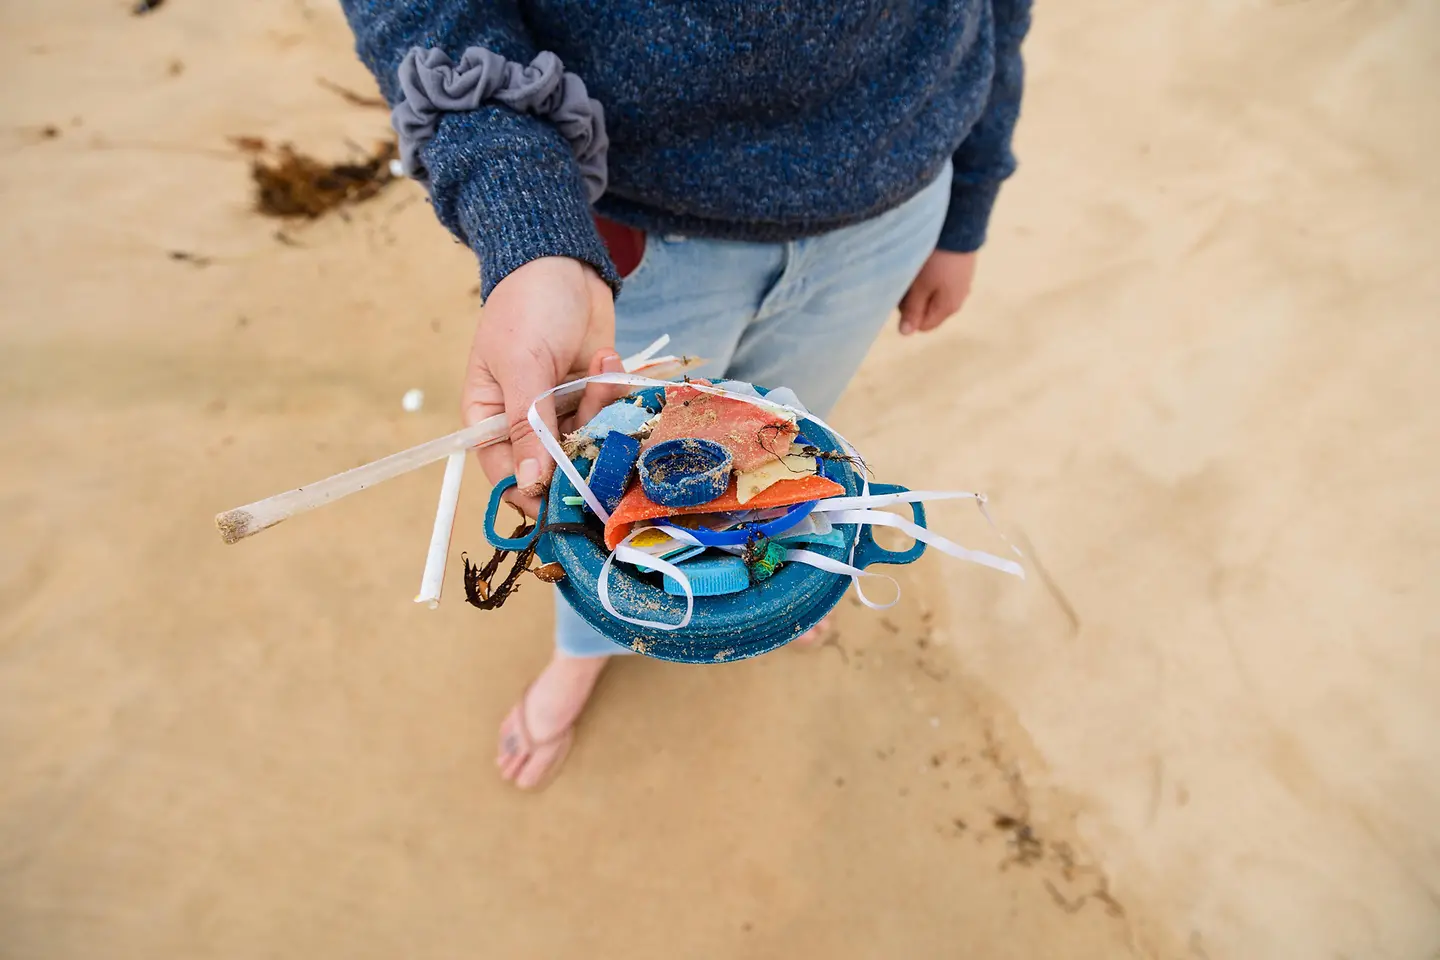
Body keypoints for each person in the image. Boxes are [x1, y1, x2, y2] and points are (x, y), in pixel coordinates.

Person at [340, 1, 1031, 789]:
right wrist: (525, 220)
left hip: (890, 210)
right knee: (583, 503)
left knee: (786, 434)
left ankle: (782, 542)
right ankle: (586, 646)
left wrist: (968, 204)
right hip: (619, 229)